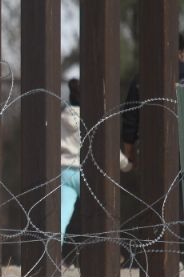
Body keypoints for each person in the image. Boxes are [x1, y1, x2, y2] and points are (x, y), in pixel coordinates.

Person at [61, 79, 132, 240]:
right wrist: (126, 165)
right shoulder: (93, 120)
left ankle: (52, 252)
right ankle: (105, 250)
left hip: (64, 172)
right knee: (102, 217)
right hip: (90, 173)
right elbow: (110, 149)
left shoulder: (60, 117)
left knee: (61, 217)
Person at [120, 33, 184, 163]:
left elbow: (130, 118)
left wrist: (129, 153)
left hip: (151, 150)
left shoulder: (142, 77)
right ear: (181, 53)